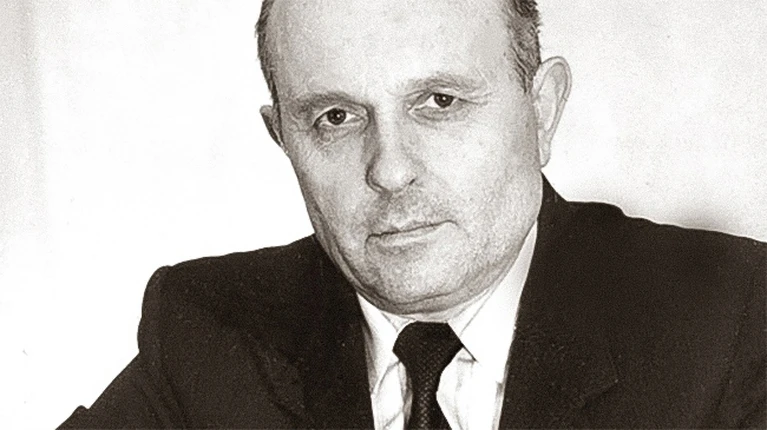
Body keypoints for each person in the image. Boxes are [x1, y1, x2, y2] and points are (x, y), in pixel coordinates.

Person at [59, 0, 765, 428]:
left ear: (542, 110)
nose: (390, 170)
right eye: (336, 118)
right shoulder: (212, 333)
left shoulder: (731, 318)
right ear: (284, 140)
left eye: (439, 103)